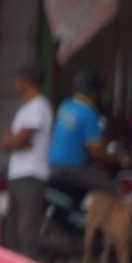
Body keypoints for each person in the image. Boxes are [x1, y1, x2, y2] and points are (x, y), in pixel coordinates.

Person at [0, 66, 53, 258]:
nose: (15, 84)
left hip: (31, 175)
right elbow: (7, 141)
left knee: (26, 232)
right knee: (12, 232)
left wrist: (17, 140)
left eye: (17, 79)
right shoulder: (26, 109)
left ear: (25, 80)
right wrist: (16, 141)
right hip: (18, 174)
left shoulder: (38, 106)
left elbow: (17, 140)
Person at [48, 69, 113, 200]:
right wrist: (120, 158)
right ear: (95, 92)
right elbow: (96, 152)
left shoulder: (65, 105)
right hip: (72, 170)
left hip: (51, 166)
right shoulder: (89, 113)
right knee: (112, 187)